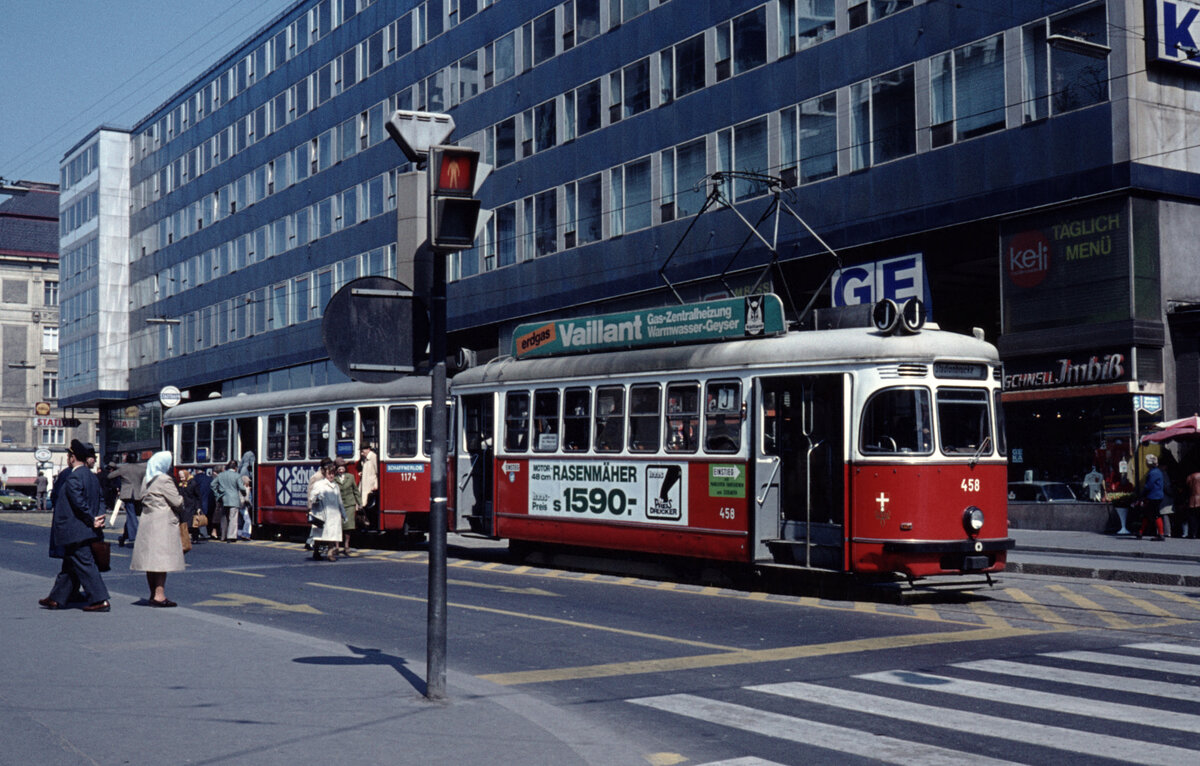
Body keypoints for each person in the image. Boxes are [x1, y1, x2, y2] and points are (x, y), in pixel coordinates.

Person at [40, 439, 110, 612]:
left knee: (85, 564)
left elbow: (78, 502)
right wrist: (99, 516)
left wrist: (91, 518)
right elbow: (101, 499)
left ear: (72, 458)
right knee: (70, 565)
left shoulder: (73, 477)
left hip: (76, 529)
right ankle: (56, 598)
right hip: (86, 529)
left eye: (69, 455)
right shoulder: (92, 477)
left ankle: (100, 599)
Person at [129, 451, 186, 607]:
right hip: (163, 523)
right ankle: (159, 595)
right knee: (161, 561)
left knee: (151, 561)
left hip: (149, 521)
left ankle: (152, 593)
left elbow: (141, 497)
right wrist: (182, 497)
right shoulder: (164, 479)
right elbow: (177, 502)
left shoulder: (147, 478)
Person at [308, 462, 345, 561]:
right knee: (320, 535)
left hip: (334, 514)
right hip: (322, 513)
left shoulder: (336, 486)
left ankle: (330, 553)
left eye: (333, 473)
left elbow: (339, 501)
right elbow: (312, 497)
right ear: (325, 474)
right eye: (329, 473)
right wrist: (317, 498)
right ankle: (316, 552)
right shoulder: (319, 484)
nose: (332, 475)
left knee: (332, 535)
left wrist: (344, 514)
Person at [111, 452, 146, 547]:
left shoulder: (123, 468)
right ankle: (125, 536)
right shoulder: (142, 467)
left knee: (131, 515)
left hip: (127, 494)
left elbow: (110, 476)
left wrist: (113, 466)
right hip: (138, 494)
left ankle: (135, 536)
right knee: (132, 515)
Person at [1137, 453, 1166, 541]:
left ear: (1149, 463)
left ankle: (1161, 534)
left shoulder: (1153, 473)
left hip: (1153, 496)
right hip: (1157, 495)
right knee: (1148, 514)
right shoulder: (1158, 471)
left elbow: (1148, 486)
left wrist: (1142, 495)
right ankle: (1140, 532)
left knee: (1155, 514)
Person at [334, 457, 360, 557]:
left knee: (348, 526)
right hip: (337, 505)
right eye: (339, 467)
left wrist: (359, 502)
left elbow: (355, 490)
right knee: (337, 526)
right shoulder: (334, 478)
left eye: (343, 467)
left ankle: (346, 545)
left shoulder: (351, 477)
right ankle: (336, 546)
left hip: (349, 504)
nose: (341, 469)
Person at [211, 460, 242, 541]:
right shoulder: (237, 475)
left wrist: (217, 494)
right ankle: (231, 536)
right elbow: (241, 487)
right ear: (235, 468)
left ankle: (223, 536)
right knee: (233, 518)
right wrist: (244, 492)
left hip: (223, 499)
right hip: (234, 499)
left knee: (224, 518)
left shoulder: (221, 475)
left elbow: (212, 484)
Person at [358, 444, 379, 531]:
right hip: (365, 482)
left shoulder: (373, 457)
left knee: (368, 503)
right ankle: (367, 524)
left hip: (370, 484)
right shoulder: (365, 458)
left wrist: (376, 484)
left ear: (368, 449)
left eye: (363, 451)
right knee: (363, 504)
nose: (362, 453)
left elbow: (377, 471)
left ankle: (371, 524)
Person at [238, 474, 253, 540]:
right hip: (243, 506)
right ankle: (246, 534)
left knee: (240, 521)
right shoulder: (246, 488)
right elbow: (246, 499)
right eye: (248, 481)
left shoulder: (238, 488)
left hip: (238, 506)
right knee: (248, 521)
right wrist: (251, 504)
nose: (249, 482)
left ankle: (239, 534)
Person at [1187, 468, 1200, 540]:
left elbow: (1187, 487)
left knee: (1192, 517)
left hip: (1193, 498)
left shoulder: (1190, 476)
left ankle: (1192, 533)